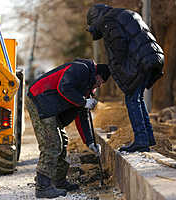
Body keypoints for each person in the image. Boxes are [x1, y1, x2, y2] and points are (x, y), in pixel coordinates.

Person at [26, 58, 110, 199]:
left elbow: (83, 117)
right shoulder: (81, 69)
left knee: (63, 140)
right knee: (52, 143)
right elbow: (63, 87)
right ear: (97, 74)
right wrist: (83, 102)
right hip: (39, 99)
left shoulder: (87, 87)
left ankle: (58, 181)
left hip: (50, 106)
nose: (100, 85)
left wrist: (90, 142)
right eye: (100, 81)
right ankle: (42, 186)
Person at [86, 4, 164, 153]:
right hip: (152, 55)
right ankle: (147, 138)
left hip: (142, 59)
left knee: (132, 99)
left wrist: (118, 66)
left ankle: (141, 140)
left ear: (96, 19)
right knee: (138, 98)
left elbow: (118, 46)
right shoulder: (122, 14)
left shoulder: (108, 21)